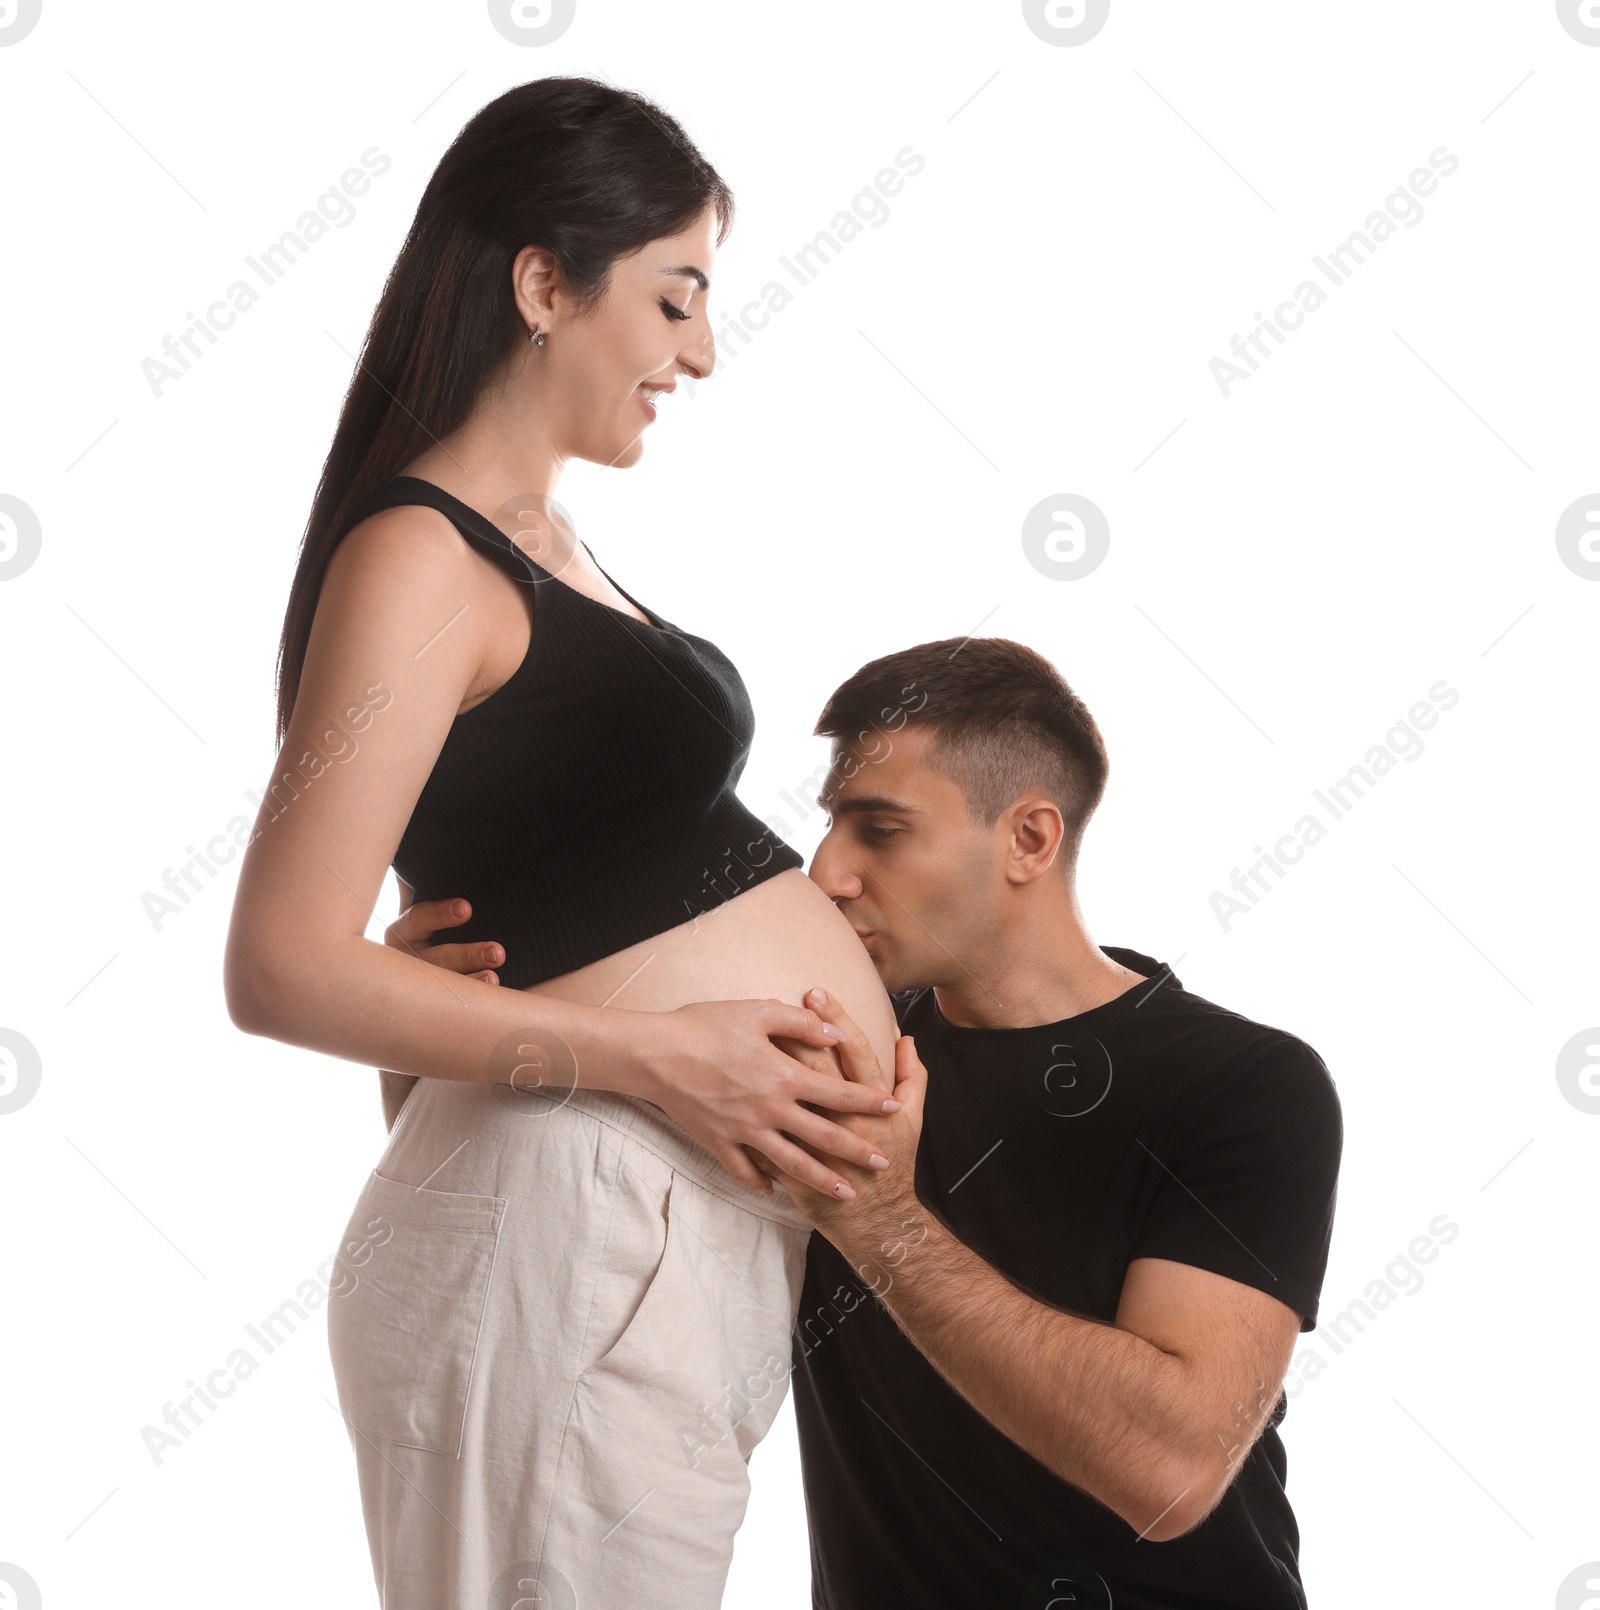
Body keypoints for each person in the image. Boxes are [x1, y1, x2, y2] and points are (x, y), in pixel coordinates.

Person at [223, 77, 903, 1610]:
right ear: (543, 282)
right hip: (577, 1226)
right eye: (676, 297)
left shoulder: (543, 543)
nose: (702, 353)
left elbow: (444, 942)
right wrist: (667, 1059)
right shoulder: (421, 551)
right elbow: (279, 966)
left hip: (623, 1243)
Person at [411, 636, 1345, 1609]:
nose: (829, 872)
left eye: (881, 830)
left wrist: (880, 1220)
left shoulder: (1244, 1084)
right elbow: (529, 1167)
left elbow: (1169, 1470)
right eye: (831, 828)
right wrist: (439, 1031)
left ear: (1029, 838)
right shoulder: (824, 1047)